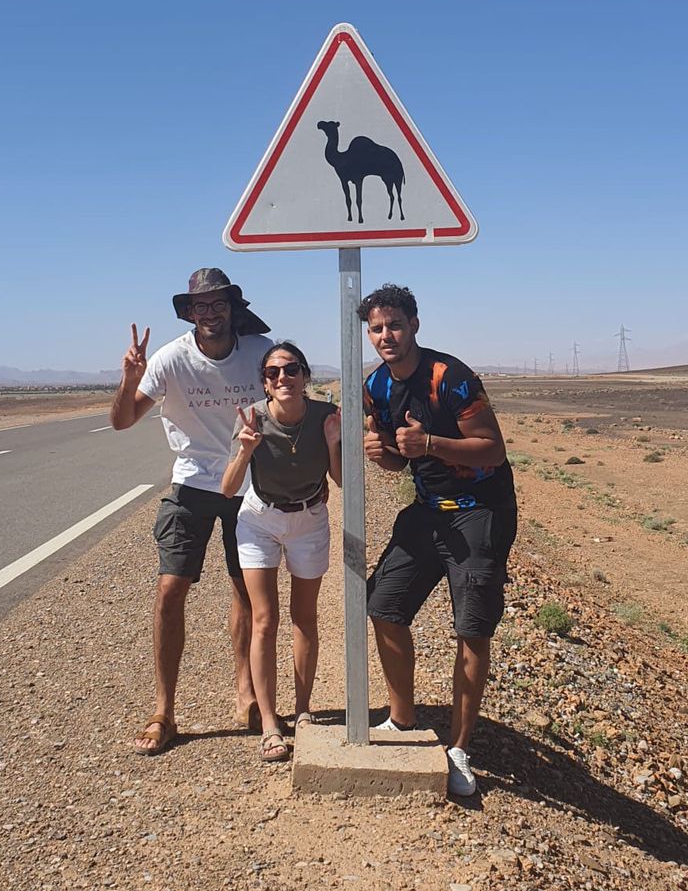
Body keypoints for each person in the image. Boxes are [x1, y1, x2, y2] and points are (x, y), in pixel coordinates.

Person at [360, 283, 516, 797]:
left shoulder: (449, 377)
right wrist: (383, 453)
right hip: (428, 510)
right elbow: (398, 461)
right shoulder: (375, 386)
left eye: (395, 325)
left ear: (414, 325)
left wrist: (429, 442)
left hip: (481, 512)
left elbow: (491, 449)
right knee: (383, 603)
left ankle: (459, 748)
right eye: (377, 328)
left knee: (472, 627)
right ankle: (402, 717)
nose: (387, 335)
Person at [110, 268, 273, 755]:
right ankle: (164, 710)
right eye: (200, 305)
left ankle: (246, 692)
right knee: (169, 589)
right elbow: (122, 420)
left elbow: (289, 400)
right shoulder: (170, 359)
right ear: (189, 312)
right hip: (191, 483)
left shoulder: (260, 352)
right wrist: (130, 380)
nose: (209, 313)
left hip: (249, 482)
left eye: (218, 303)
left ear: (232, 309)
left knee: (245, 589)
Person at [221, 343, 342, 763]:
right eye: (272, 373)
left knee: (304, 617)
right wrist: (245, 450)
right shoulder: (251, 417)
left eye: (291, 370)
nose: (282, 378)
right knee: (264, 619)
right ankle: (270, 723)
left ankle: (304, 711)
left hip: (309, 520)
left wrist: (332, 444)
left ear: (305, 375)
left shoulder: (326, 416)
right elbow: (228, 488)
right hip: (260, 521)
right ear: (264, 383)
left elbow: (340, 479)